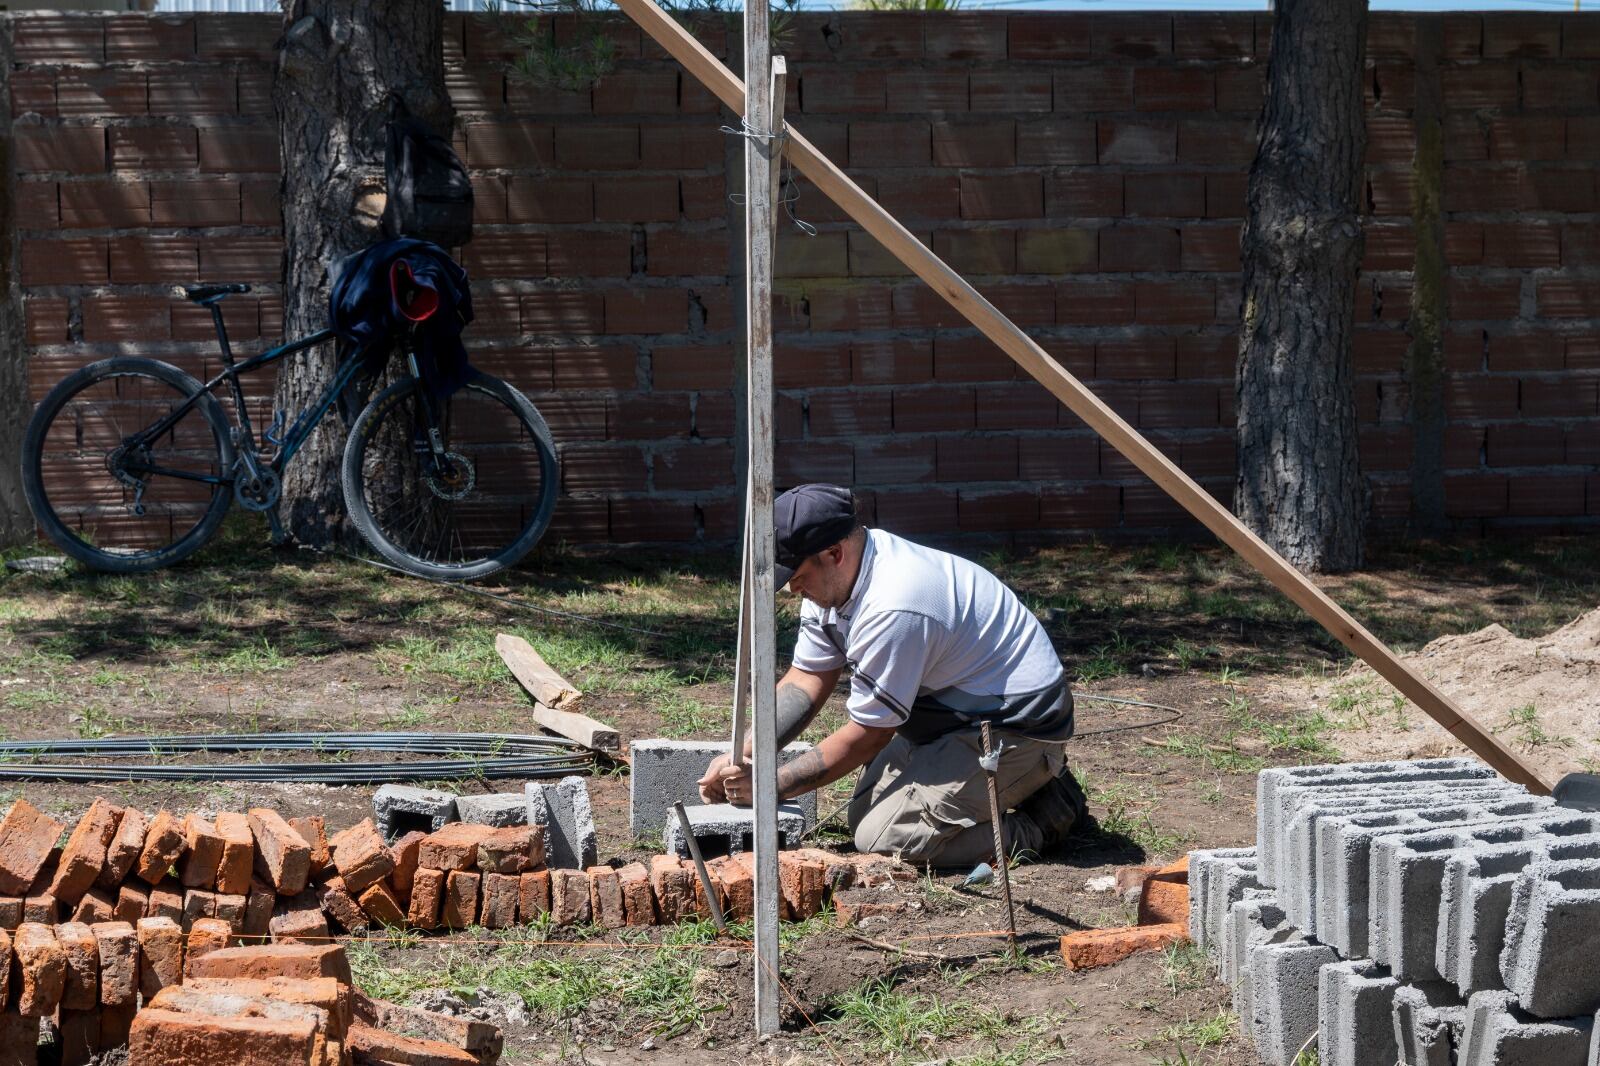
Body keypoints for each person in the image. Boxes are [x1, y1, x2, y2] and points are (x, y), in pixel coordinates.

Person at [699, 483, 1088, 866]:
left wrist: (770, 785)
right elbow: (807, 678)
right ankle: (1015, 789)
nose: (792, 588)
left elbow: (870, 734)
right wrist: (744, 752)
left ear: (834, 552)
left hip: (1015, 727)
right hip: (952, 714)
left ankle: (1044, 817)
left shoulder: (895, 604)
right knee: (863, 814)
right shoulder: (836, 580)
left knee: (887, 837)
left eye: (795, 575)